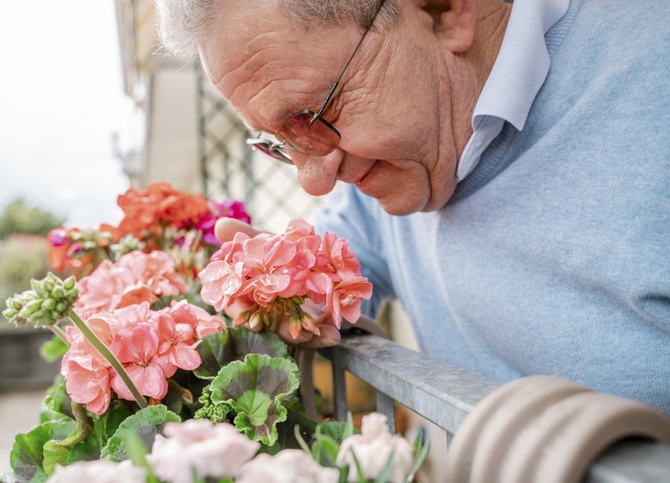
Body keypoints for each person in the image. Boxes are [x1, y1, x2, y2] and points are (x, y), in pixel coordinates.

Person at [155, 0, 670, 417]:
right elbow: (328, 289)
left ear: (444, 10)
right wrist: (278, 291)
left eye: (314, 114)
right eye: (281, 142)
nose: (314, 182)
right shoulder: (388, 169)